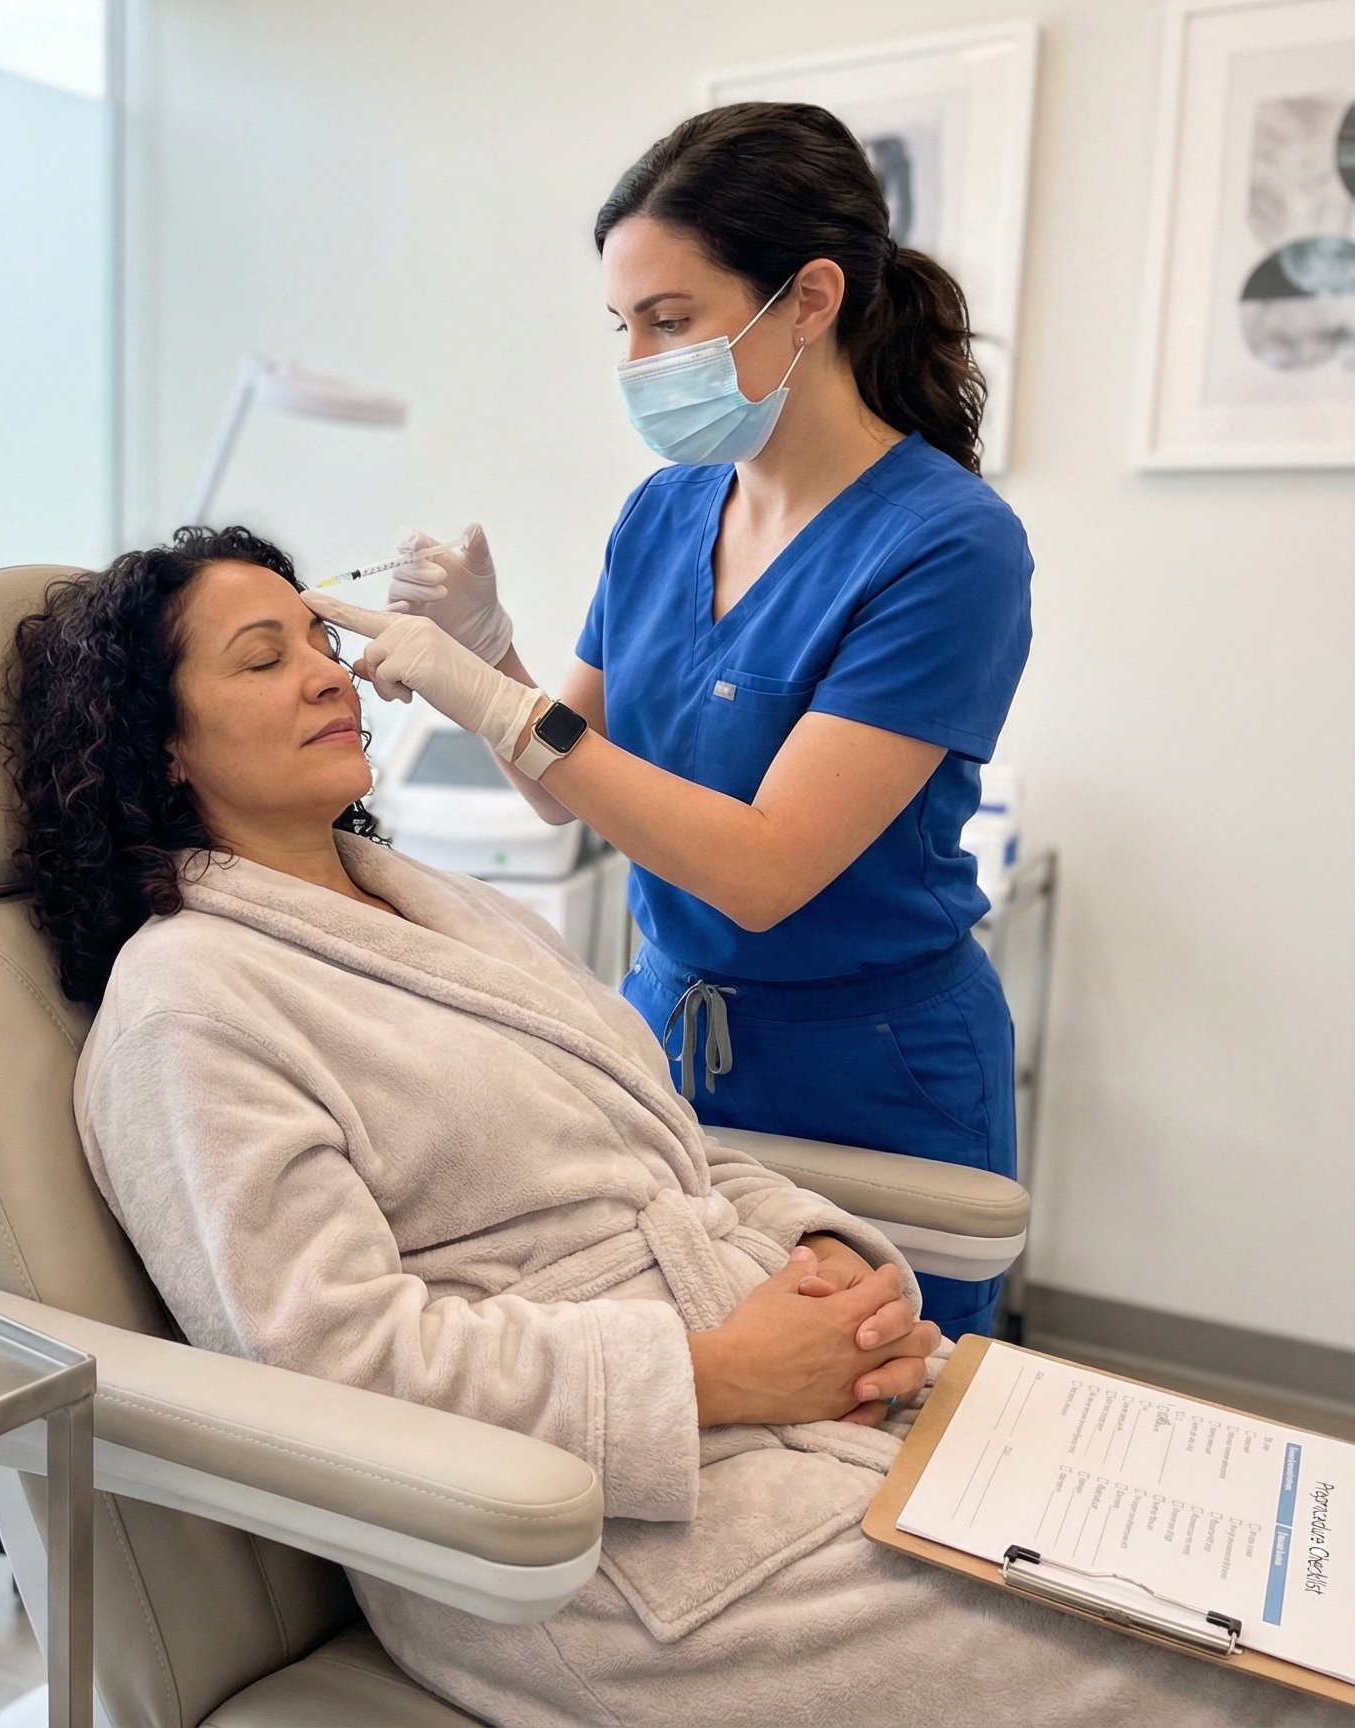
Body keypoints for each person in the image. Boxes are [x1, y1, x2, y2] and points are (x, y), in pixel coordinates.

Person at [0, 528, 1322, 1728]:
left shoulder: (445, 910)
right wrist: (719, 1374)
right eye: (260, 656)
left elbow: (669, 1150)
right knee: (1237, 1658)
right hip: (588, 1543)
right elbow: (328, 1363)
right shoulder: (189, 1004)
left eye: (319, 638)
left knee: (1267, 1537)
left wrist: (824, 1266)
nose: (329, 673)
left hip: (777, 1400)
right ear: (159, 745)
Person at [308, 102, 1034, 1341]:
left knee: (875, 1426)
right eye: (625, 326)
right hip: (663, 1039)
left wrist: (489, 692)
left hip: (870, 1070)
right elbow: (563, 785)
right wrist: (498, 653)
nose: (641, 360)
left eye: (672, 320)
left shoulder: (947, 545)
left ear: (809, 297)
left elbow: (761, 870)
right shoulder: (664, 513)